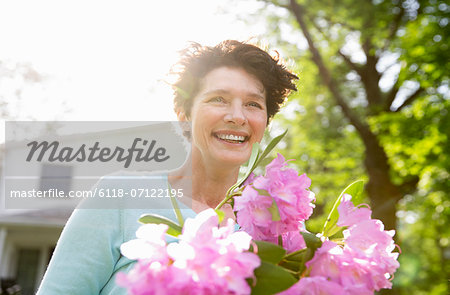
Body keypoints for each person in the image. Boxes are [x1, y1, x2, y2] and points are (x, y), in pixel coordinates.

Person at [36, 40, 298, 295]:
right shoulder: (119, 196)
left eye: (253, 104)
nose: (238, 116)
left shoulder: (275, 228)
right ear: (184, 114)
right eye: (218, 99)